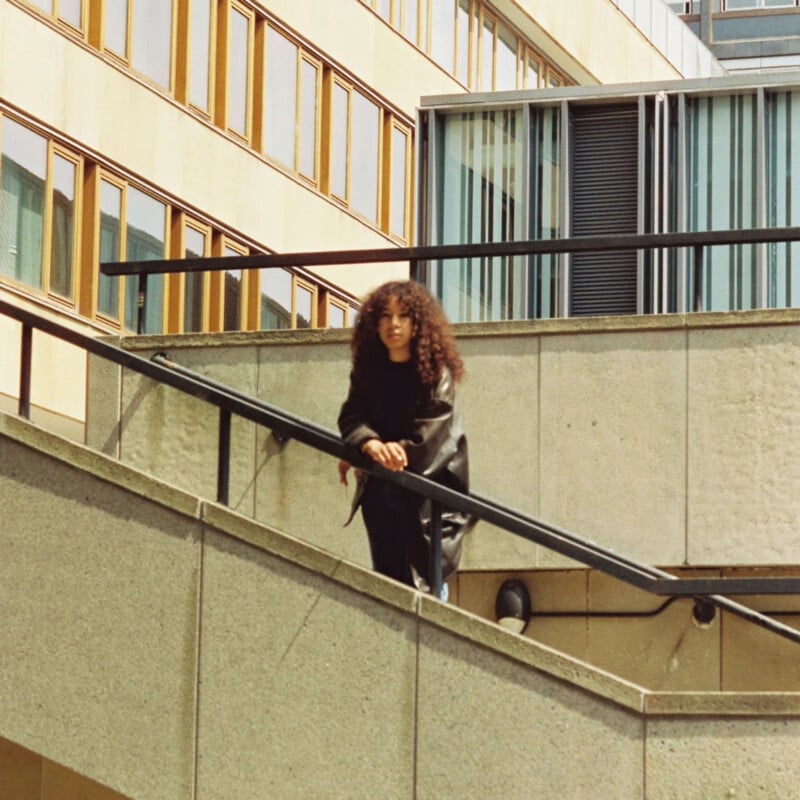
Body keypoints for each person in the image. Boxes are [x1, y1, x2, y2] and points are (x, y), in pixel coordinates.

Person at [337, 279, 473, 596]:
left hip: (427, 509)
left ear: (418, 322)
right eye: (384, 315)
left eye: (403, 316)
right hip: (383, 500)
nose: (393, 324)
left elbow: (428, 443)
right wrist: (368, 444)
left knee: (425, 596)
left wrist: (383, 453)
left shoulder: (436, 375)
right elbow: (352, 415)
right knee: (387, 591)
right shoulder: (369, 371)